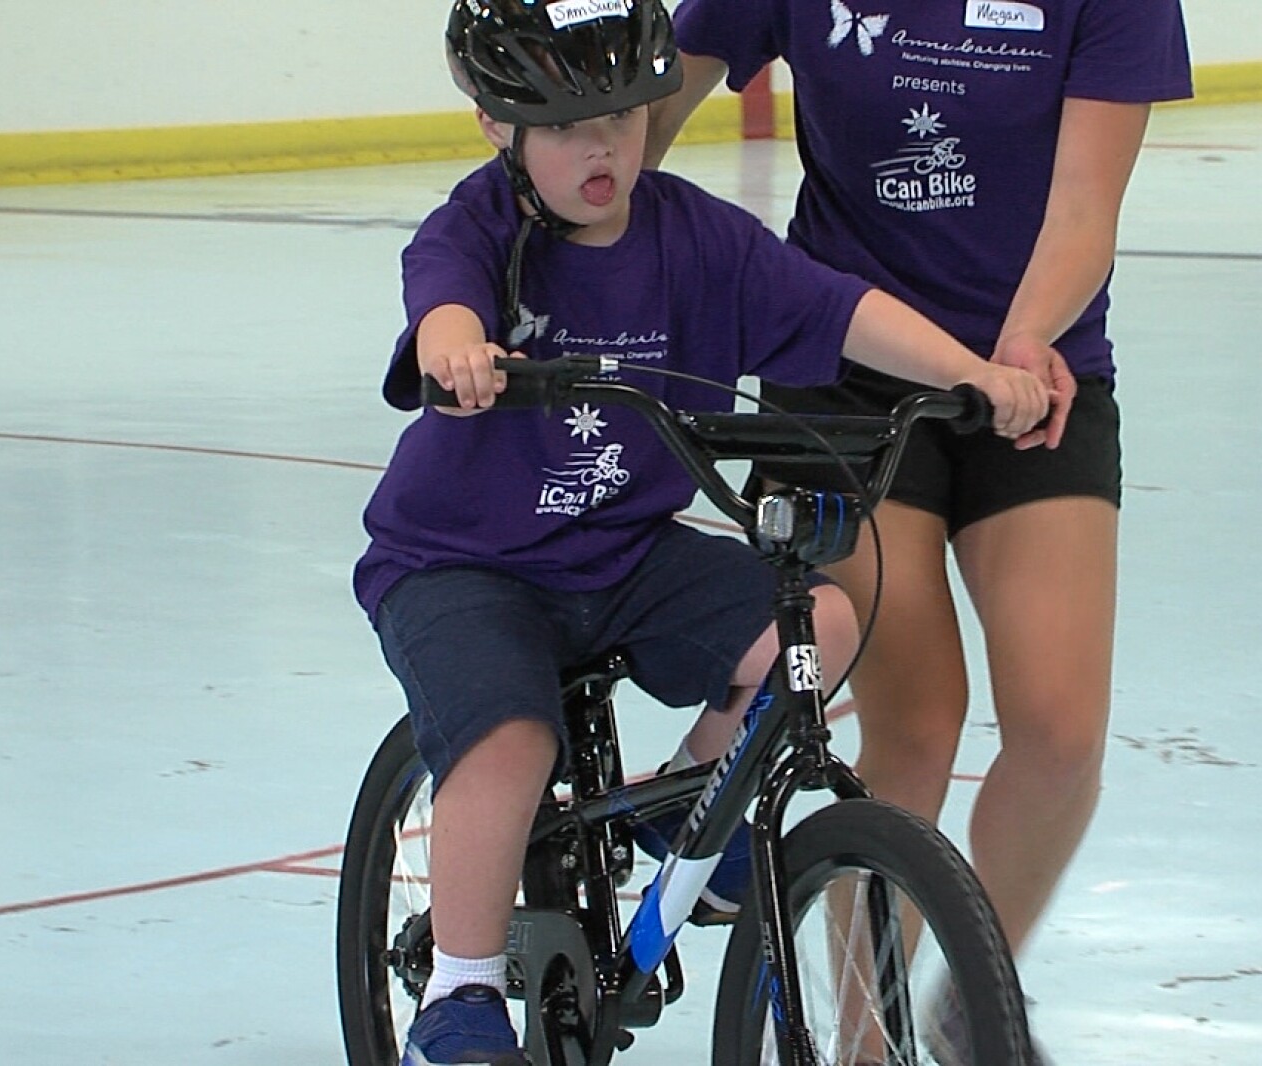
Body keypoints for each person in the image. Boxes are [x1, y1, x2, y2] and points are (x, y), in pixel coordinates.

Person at [352, 1, 1057, 1062]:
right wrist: (455, 348)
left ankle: (683, 808)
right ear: (498, 126)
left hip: (626, 553)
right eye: (564, 128)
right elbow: (443, 301)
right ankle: (459, 995)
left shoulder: (695, 237)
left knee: (818, 621)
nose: (601, 149)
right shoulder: (480, 229)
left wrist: (972, 373)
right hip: (464, 566)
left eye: (622, 118)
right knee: (509, 741)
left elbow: (838, 308)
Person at [644, 0, 1193, 1050]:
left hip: (1032, 375)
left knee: (1061, 735)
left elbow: (1085, 203)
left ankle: (970, 987)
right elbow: (646, 110)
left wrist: (1017, 351)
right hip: (842, 371)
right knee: (918, 715)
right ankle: (867, 1040)